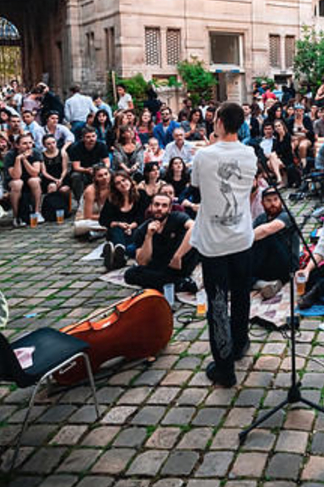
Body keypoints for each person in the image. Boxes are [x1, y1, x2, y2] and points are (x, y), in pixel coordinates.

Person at [190, 101, 258, 387]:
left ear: (218, 122)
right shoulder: (251, 154)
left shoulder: (203, 156)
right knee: (241, 294)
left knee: (218, 302)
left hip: (214, 243)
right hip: (241, 237)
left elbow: (196, 186)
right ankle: (240, 342)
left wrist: (210, 146)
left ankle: (224, 367)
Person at [124, 191, 199, 292]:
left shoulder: (177, 217)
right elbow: (142, 261)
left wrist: (177, 256)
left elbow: (194, 227)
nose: (160, 208)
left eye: (164, 206)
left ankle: (172, 282)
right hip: (161, 265)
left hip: (180, 262)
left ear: (169, 209)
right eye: (156, 205)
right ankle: (180, 283)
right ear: (151, 207)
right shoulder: (142, 229)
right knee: (130, 275)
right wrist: (149, 236)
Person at [249, 187, 297, 298]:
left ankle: (256, 282)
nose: (273, 204)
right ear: (262, 203)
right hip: (266, 264)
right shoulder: (261, 218)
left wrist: (238, 242)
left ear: (281, 201)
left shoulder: (287, 216)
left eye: (276, 199)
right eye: (269, 201)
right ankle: (264, 284)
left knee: (267, 235)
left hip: (286, 264)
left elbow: (266, 230)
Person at [100, 171, 149, 269]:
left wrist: (130, 226)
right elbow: (103, 219)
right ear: (115, 187)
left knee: (136, 234)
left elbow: (144, 217)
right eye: (118, 183)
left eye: (124, 180)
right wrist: (118, 224)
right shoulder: (112, 199)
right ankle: (120, 253)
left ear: (130, 181)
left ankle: (118, 254)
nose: (122, 184)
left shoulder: (141, 195)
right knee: (116, 231)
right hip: (118, 229)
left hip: (136, 228)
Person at [4, 133, 44, 225]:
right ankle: (16, 216)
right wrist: (18, 159)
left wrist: (25, 160)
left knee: (34, 180)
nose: (28, 146)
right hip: (14, 181)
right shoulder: (10, 155)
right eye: (24, 143)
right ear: (17, 145)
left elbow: (35, 172)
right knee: (17, 183)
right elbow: (15, 176)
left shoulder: (35, 152)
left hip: (30, 178)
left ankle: (37, 212)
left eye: (30, 143)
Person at [67, 128, 110, 201]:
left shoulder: (101, 145)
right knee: (76, 176)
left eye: (93, 136)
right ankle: (80, 200)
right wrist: (87, 170)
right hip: (83, 170)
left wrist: (101, 170)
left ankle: (107, 198)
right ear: (83, 138)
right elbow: (76, 167)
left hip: (98, 168)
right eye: (88, 137)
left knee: (110, 173)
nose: (91, 139)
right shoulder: (76, 147)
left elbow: (107, 162)